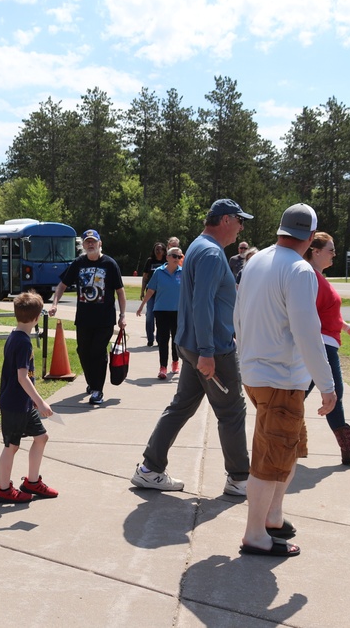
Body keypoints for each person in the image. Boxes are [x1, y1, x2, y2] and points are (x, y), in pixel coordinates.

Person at [234, 203, 337, 558]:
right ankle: (255, 534)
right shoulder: (300, 271)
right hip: (281, 378)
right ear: (310, 237)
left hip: (257, 373)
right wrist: (327, 385)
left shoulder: (255, 260)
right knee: (270, 458)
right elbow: (308, 333)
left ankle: (273, 517)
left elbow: (238, 315)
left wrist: (245, 359)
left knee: (290, 447)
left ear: (280, 229)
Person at [131, 199, 252, 496]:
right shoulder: (211, 253)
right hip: (210, 350)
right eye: (239, 221)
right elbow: (202, 304)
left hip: (190, 344)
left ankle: (150, 469)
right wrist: (209, 352)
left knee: (181, 407)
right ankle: (239, 479)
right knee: (232, 411)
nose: (241, 228)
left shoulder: (198, 245)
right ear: (225, 220)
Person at [304, 232, 350, 465]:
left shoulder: (319, 277)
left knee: (298, 395)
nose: (334, 254)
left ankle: (281, 437)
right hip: (322, 346)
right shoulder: (311, 278)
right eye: (330, 249)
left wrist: (347, 328)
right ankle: (349, 449)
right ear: (315, 251)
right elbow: (308, 315)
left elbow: (329, 313)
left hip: (327, 343)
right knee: (332, 395)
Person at [0, 292, 59, 504]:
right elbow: (22, 377)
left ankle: (32, 483)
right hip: (14, 404)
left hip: (24, 403)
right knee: (11, 447)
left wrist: (32, 401)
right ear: (36, 317)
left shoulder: (18, 336)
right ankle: (3, 489)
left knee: (41, 437)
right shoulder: (21, 342)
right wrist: (40, 402)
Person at [49, 230, 127, 405]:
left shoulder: (110, 264)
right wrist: (54, 304)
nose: (90, 245)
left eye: (94, 242)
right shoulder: (78, 263)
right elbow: (62, 285)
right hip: (84, 318)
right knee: (83, 351)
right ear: (83, 245)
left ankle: (97, 390)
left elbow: (120, 292)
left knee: (98, 352)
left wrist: (122, 315)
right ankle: (92, 383)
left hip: (104, 319)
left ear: (100, 243)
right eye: (87, 242)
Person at [136, 246, 184, 379]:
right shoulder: (158, 272)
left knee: (176, 339)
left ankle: (175, 362)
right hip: (161, 310)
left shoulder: (183, 272)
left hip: (177, 311)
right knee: (163, 339)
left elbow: (189, 293)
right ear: (167, 257)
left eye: (179, 257)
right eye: (174, 256)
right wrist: (142, 306)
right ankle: (163, 367)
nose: (177, 259)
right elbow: (150, 290)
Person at [140, 243, 168, 347]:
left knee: (160, 317)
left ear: (164, 251)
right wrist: (142, 291)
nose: (158, 251)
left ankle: (159, 339)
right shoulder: (149, 261)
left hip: (162, 294)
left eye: (160, 249)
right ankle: (150, 339)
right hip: (151, 292)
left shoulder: (167, 261)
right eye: (156, 249)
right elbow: (145, 277)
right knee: (149, 316)